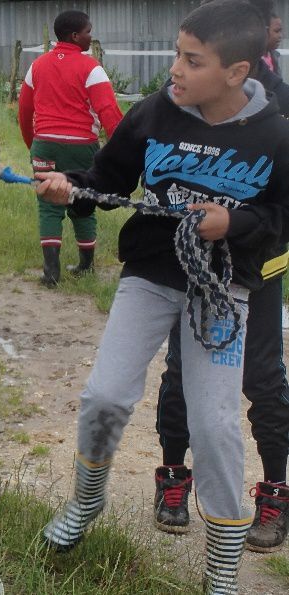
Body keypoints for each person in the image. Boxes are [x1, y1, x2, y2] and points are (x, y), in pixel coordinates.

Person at [34, 1, 289, 592]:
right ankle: (86, 503)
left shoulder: (276, 134)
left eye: (191, 60)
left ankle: (222, 565)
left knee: (216, 426)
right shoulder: (154, 113)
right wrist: (71, 188)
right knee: (104, 395)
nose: (174, 68)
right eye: (177, 53)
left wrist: (236, 224)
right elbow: (106, 181)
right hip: (149, 276)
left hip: (224, 293)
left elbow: (282, 214)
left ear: (235, 71)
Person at [153, 0, 289, 555]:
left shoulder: (276, 102)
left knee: (262, 377)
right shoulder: (186, 102)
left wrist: (239, 225)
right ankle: (172, 477)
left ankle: (276, 489)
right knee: (181, 371)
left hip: (259, 268)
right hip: (192, 267)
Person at [17, 10, 123, 286]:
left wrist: (34, 145)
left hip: (44, 145)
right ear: (75, 36)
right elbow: (109, 112)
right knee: (83, 200)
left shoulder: (37, 66)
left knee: (48, 205)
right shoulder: (92, 68)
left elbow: (24, 110)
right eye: (88, 31)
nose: (91, 36)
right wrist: (122, 151)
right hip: (81, 147)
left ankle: (51, 272)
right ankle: (86, 265)